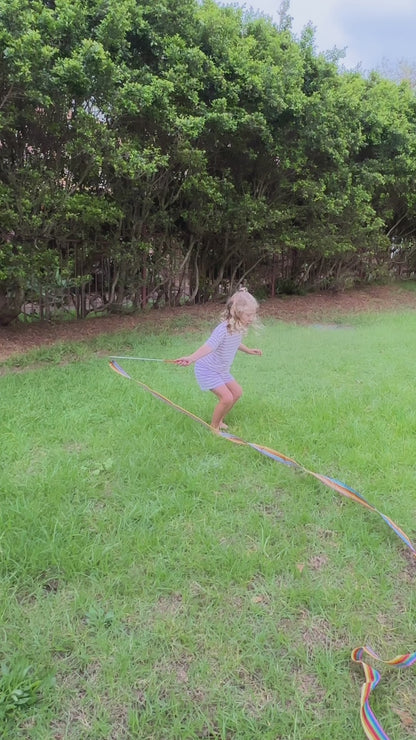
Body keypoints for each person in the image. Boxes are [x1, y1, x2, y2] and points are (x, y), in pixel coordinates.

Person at [174, 289, 262, 431]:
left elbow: (234, 343)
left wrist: (249, 351)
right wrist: (191, 358)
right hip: (207, 370)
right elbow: (208, 347)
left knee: (237, 392)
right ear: (237, 312)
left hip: (221, 370)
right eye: (248, 315)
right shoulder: (223, 329)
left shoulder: (238, 328)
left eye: (253, 314)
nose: (251, 318)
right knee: (227, 398)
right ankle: (214, 427)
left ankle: (219, 420)